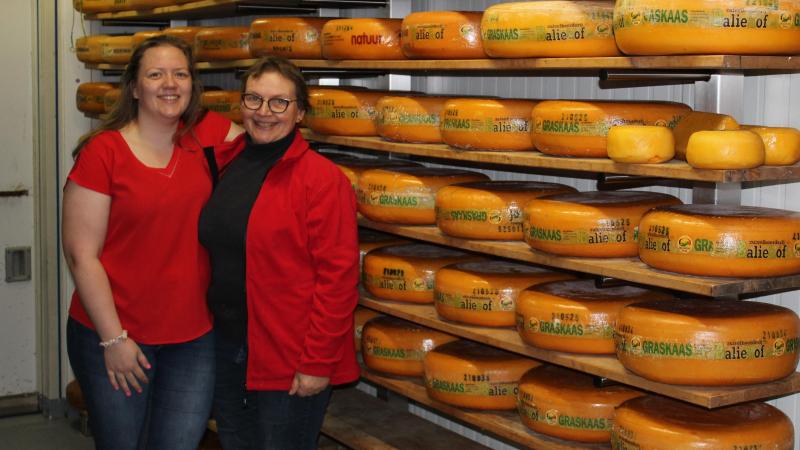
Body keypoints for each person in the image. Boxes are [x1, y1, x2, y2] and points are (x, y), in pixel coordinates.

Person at [62, 35, 243, 450]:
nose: (170, 84)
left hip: (193, 339)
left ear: (193, 86)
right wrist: (114, 339)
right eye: (156, 74)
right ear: (134, 87)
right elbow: (80, 254)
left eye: (180, 74)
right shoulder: (103, 153)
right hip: (115, 334)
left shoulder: (207, 137)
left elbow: (270, 132)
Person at [198, 56, 360, 450]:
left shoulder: (322, 180)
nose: (263, 112)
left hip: (289, 357)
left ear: (300, 112)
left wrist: (316, 363)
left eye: (279, 103)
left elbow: (338, 279)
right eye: (253, 100)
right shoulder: (228, 164)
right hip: (227, 345)